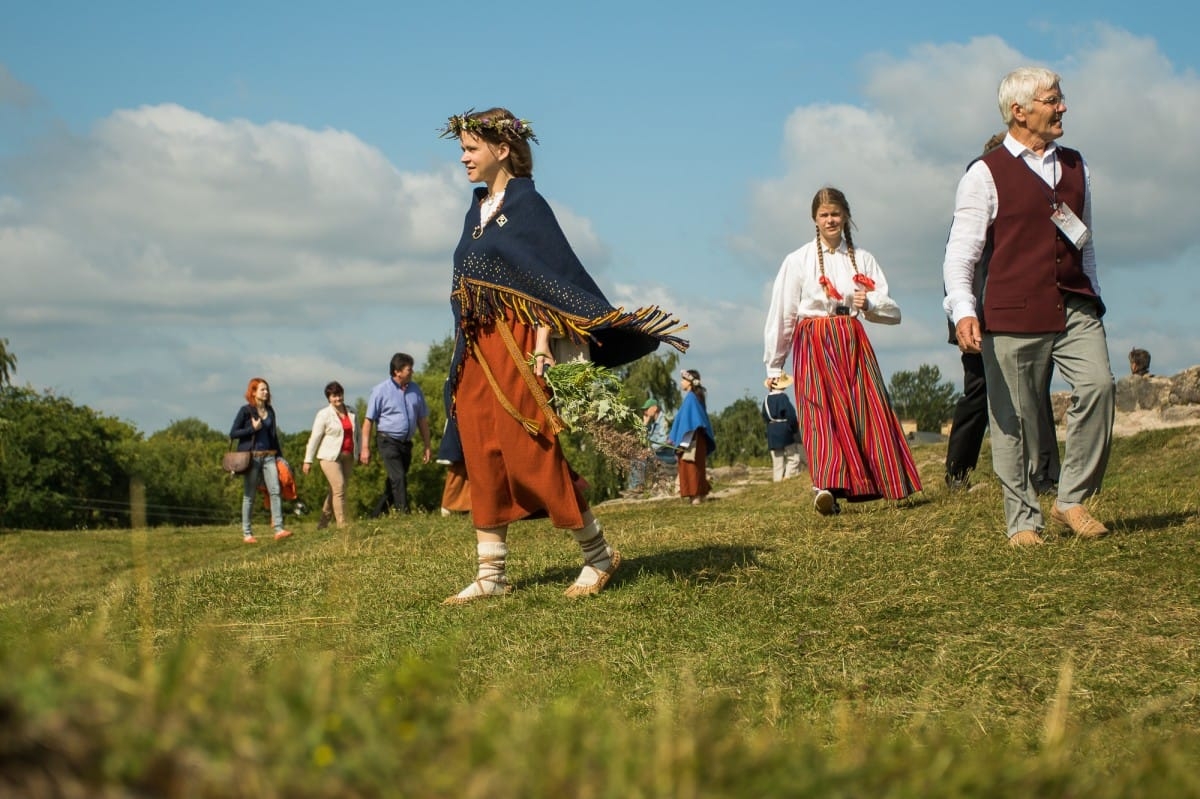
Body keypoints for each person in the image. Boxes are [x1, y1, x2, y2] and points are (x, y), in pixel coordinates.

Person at [438, 107, 687, 603]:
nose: (463, 157)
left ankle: (598, 555)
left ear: (502, 149)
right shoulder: (476, 210)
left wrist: (541, 345)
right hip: (477, 350)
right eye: (462, 148)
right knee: (482, 450)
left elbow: (548, 282)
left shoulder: (529, 208)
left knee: (529, 450)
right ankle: (492, 574)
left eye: (471, 148)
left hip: (517, 345)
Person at [943, 66, 1115, 547]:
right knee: (1013, 419)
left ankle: (1070, 498)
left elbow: (1086, 242)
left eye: (1060, 98)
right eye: (1052, 99)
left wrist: (1094, 295)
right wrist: (963, 310)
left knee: (1099, 385)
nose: (1062, 107)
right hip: (1013, 308)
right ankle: (1022, 522)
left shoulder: (1078, 166)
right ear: (1019, 111)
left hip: (1074, 302)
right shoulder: (985, 173)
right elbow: (962, 253)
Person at [764, 186, 922, 516]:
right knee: (818, 411)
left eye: (836, 213)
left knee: (866, 408)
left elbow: (893, 312)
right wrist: (774, 365)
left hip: (850, 338)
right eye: (824, 215)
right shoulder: (798, 260)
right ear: (814, 219)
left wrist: (871, 302)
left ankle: (882, 480)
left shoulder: (862, 259)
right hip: (812, 340)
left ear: (846, 215)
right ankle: (825, 488)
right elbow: (783, 313)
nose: (830, 219)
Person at [944, 132, 1060, 495]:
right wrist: (963, 316)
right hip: (981, 311)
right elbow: (959, 263)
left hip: (1029, 309)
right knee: (979, 391)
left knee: (1036, 390)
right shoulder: (976, 193)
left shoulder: (1036, 198)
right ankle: (957, 473)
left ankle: (1044, 473)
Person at [360, 353, 432, 516]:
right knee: (399, 477)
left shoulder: (415, 390)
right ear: (397, 372)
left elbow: (422, 420)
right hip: (387, 440)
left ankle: (375, 515)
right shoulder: (380, 391)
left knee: (395, 481)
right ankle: (403, 514)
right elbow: (368, 421)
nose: (412, 372)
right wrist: (365, 448)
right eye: (409, 369)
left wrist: (427, 445)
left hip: (406, 443)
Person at [229, 377, 292, 543]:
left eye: (267, 389)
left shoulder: (270, 411)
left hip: (270, 456)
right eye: (262, 389)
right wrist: (252, 429)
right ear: (253, 392)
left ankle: (279, 529)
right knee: (249, 495)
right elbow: (233, 433)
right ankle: (247, 533)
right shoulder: (245, 411)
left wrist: (280, 457)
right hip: (252, 458)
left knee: (275, 490)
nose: (266, 392)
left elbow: (274, 436)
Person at [302, 381, 359, 529]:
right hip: (329, 457)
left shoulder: (352, 412)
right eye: (334, 396)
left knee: (337, 490)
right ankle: (342, 524)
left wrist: (360, 453)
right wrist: (308, 460)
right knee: (339, 487)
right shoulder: (324, 415)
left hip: (348, 455)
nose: (337, 398)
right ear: (329, 398)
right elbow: (314, 438)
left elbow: (357, 434)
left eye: (339, 394)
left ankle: (323, 523)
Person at [668, 369, 716, 505]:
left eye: (683, 380)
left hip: (691, 440)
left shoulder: (691, 399)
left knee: (691, 468)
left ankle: (695, 496)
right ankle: (699, 494)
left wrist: (681, 440)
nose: (681, 382)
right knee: (696, 467)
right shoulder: (694, 397)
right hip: (696, 439)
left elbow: (689, 423)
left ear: (690, 383)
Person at [762, 373, 804, 482]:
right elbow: (791, 415)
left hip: (772, 430)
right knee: (793, 457)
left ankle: (777, 480)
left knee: (777, 461)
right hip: (784, 429)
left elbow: (765, 416)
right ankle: (788, 478)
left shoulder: (766, 399)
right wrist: (794, 429)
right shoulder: (783, 397)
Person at [627, 398, 676, 492]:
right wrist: (644, 423)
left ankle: (637, 486)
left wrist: (650, 450)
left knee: (639, 457)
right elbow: (643, 440)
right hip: (658, 452)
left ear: (654, 408)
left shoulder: (664, 420)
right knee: (636, 455)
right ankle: (636, 486)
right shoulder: (653, 423)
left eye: (646, 409)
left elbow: (665, 440)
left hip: (667, 453)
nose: (645, 412)